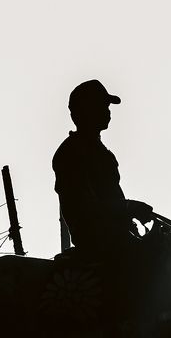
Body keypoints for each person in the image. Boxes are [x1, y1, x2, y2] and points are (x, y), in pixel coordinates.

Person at [52, 79, 155, 260]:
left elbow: (112, 197)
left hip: (118, 237)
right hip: (98, 243)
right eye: (101, 106)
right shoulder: (70, 153)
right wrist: (129, 207)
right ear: (85, 111)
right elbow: (86, 208)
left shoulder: (101, 152)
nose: (108, 111)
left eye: (107, 106)